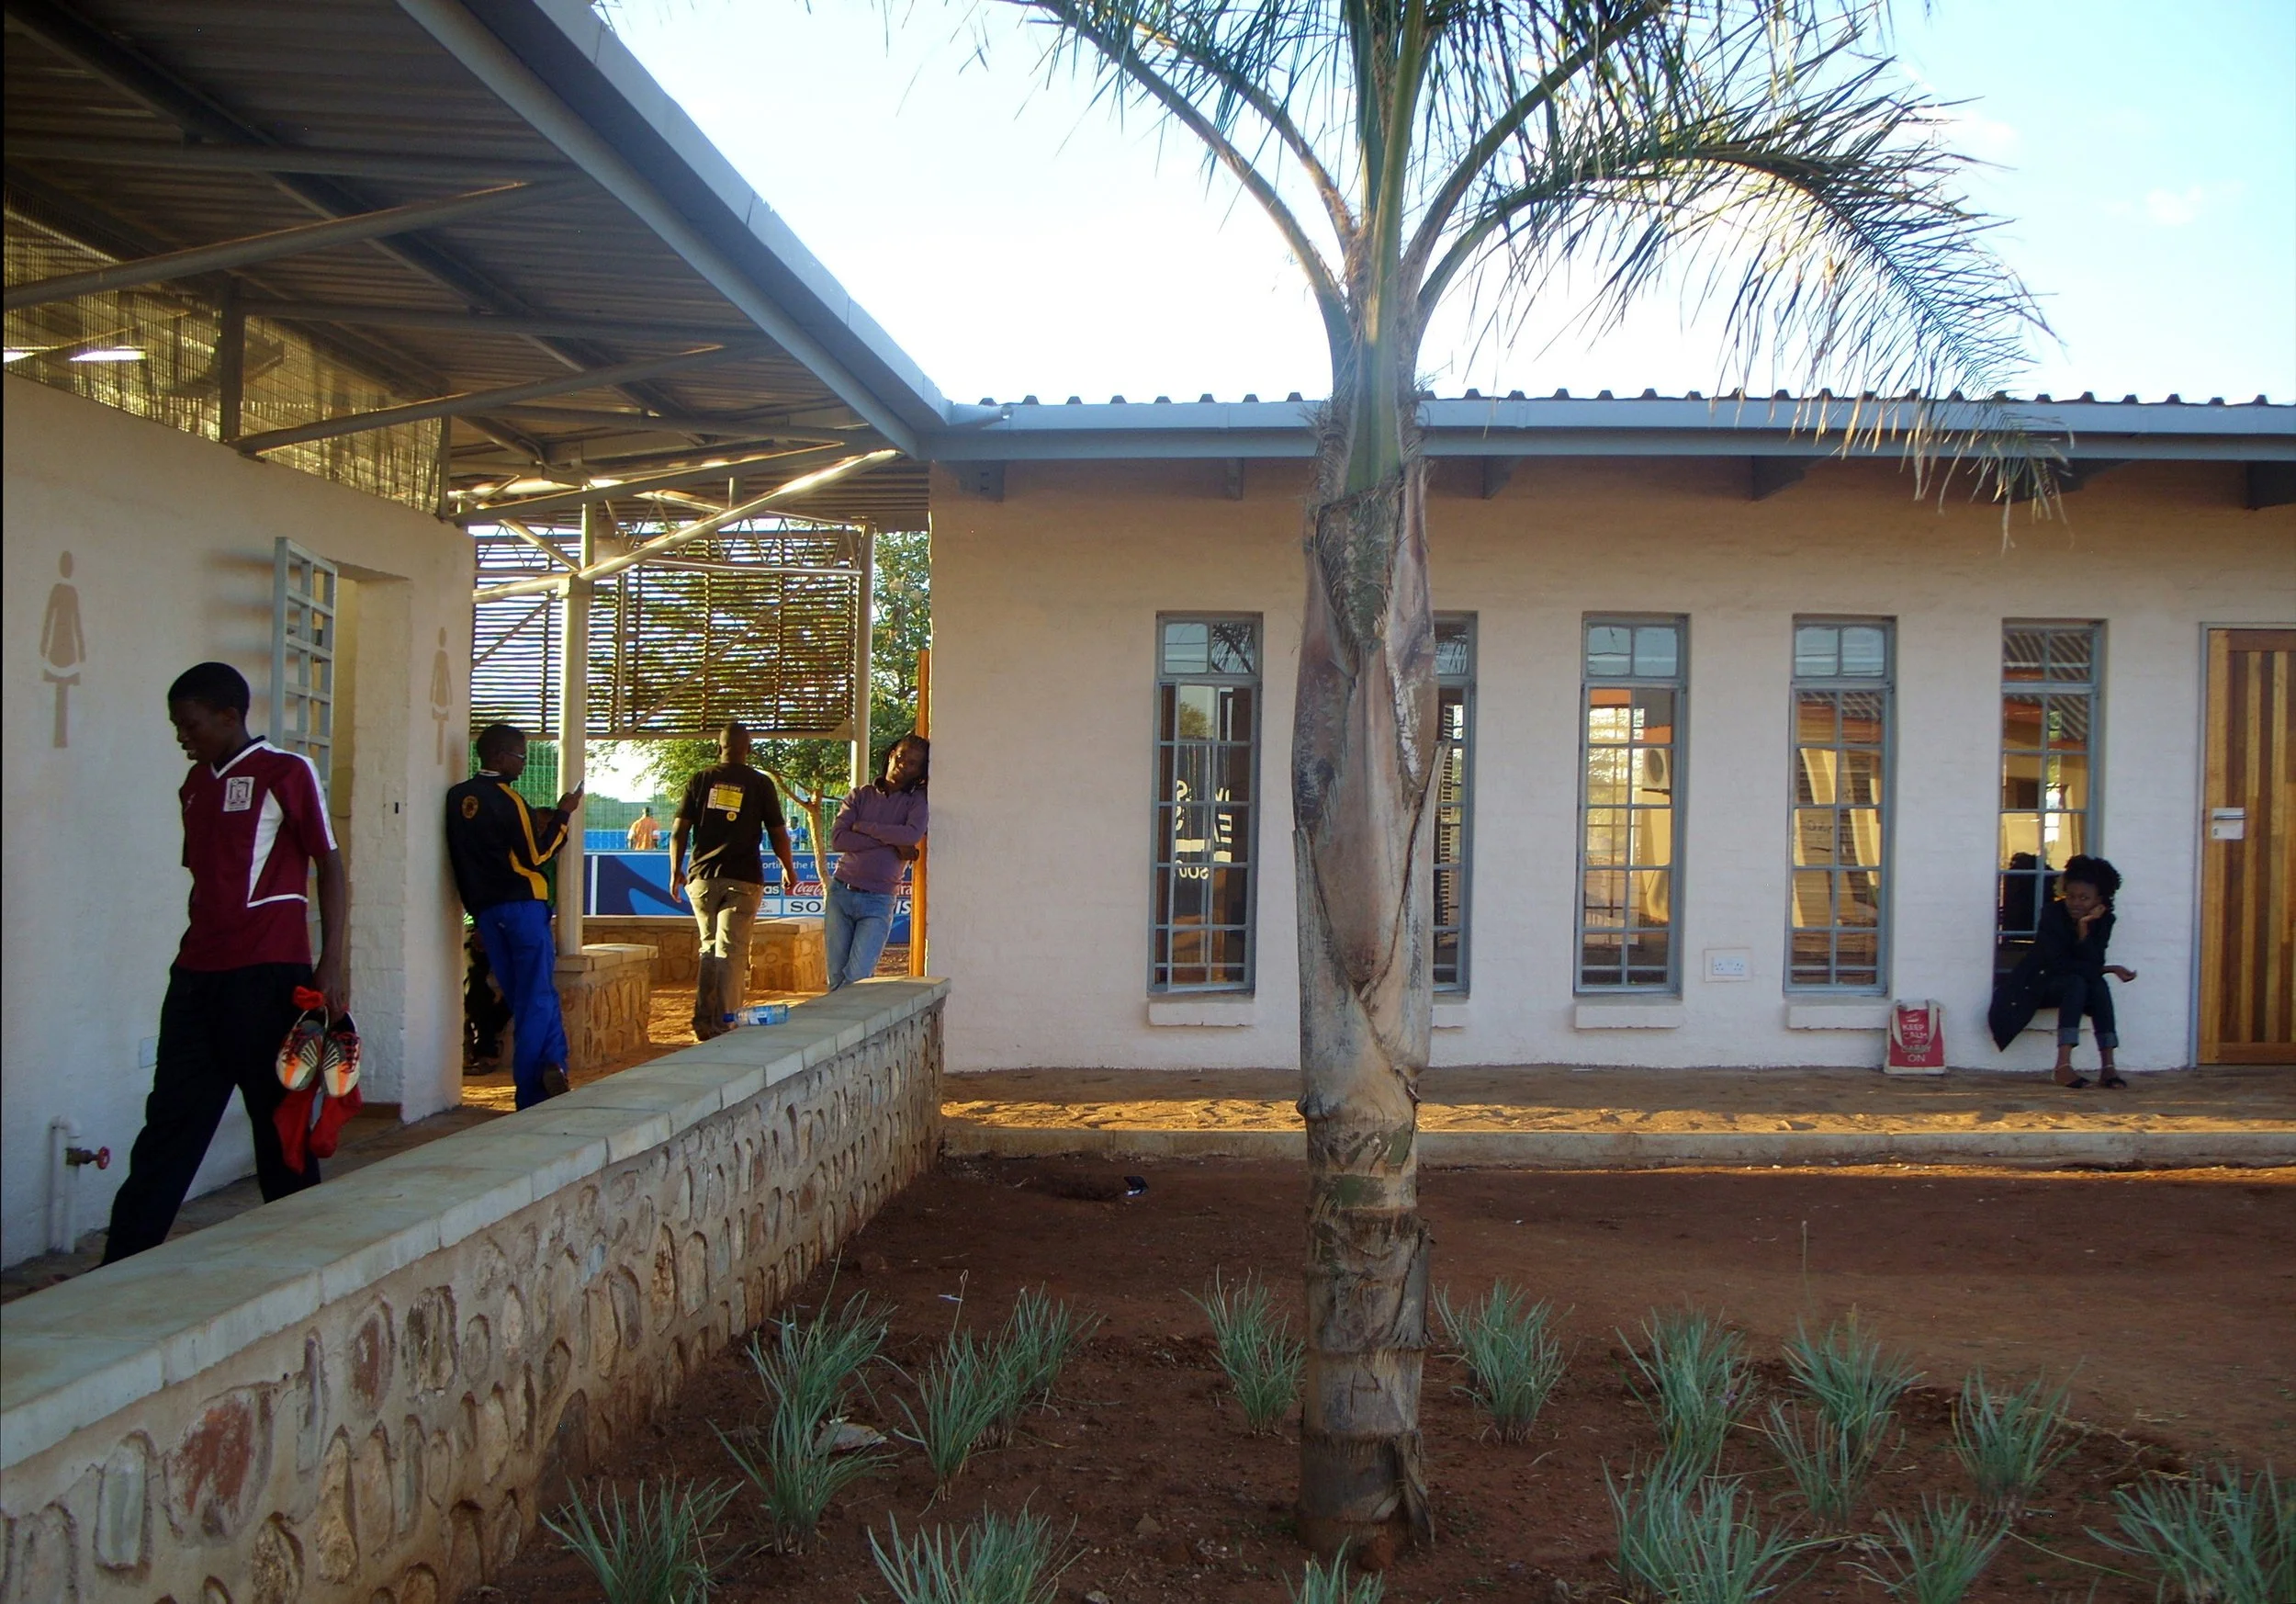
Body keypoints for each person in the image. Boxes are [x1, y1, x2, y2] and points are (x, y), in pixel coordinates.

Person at [101, 662, 348, 1263]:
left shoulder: (287, 772)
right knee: (169, 1128)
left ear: (228, 716)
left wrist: (332, 962)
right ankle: (119, 1268)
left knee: (281, 1127)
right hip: (194, 980)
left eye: (190, 724)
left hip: (267, 979)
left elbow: (330, 864)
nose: (183, 736)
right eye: (176, 726)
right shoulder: (194, 784)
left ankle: (301, 1265)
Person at [445, 724, 581, 1107]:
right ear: (501, 756)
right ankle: (533, 1091)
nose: (522, 763)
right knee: (536, 996)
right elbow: (537, 855)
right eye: (520, 756)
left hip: (487, 912)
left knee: (527, 994)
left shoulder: (457, 798)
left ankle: (554, 1062)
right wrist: (563, 815)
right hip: (523, 905)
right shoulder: (510, 800)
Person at [671, 722, 797, 1038]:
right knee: (731, 950)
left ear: (719, 747)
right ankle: (725, 1021)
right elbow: (778, 833)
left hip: (701, 878)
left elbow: (678, 831)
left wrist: (675, 870)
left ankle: (703, 1021)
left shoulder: (700, 779)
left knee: (709, 947)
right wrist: (788, 868)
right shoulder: (760, 783)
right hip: (743, 879)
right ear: (749, 749)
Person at [1988, 854, 2139, 1089]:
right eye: (2070, 896)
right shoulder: (2052, 915)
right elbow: (2057, 964)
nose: (2076, 903)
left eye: (2084, 898)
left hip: (2070, 982)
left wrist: (2084, 929)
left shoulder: (2104, 920)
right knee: (2078, 982)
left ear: (2100, 900)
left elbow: (2091, 960)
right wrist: (2107, 968)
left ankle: (2108, 1066)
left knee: (2098, 985)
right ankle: (2063, 1065)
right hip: (2035, 986)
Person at [824, 734, 929, 989]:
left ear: (919, 771)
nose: (904, 764)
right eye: (901, 755)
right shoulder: (860, 795)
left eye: (913, 763)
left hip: (878, 899)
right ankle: (842, 1029)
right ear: (891, 754)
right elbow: (839, 840)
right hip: (841, 892)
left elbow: (912, 834)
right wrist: (892, 841)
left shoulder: (916, 801)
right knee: (836, 977)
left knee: (858, 977)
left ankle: (852, 1027)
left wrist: (864, 828)